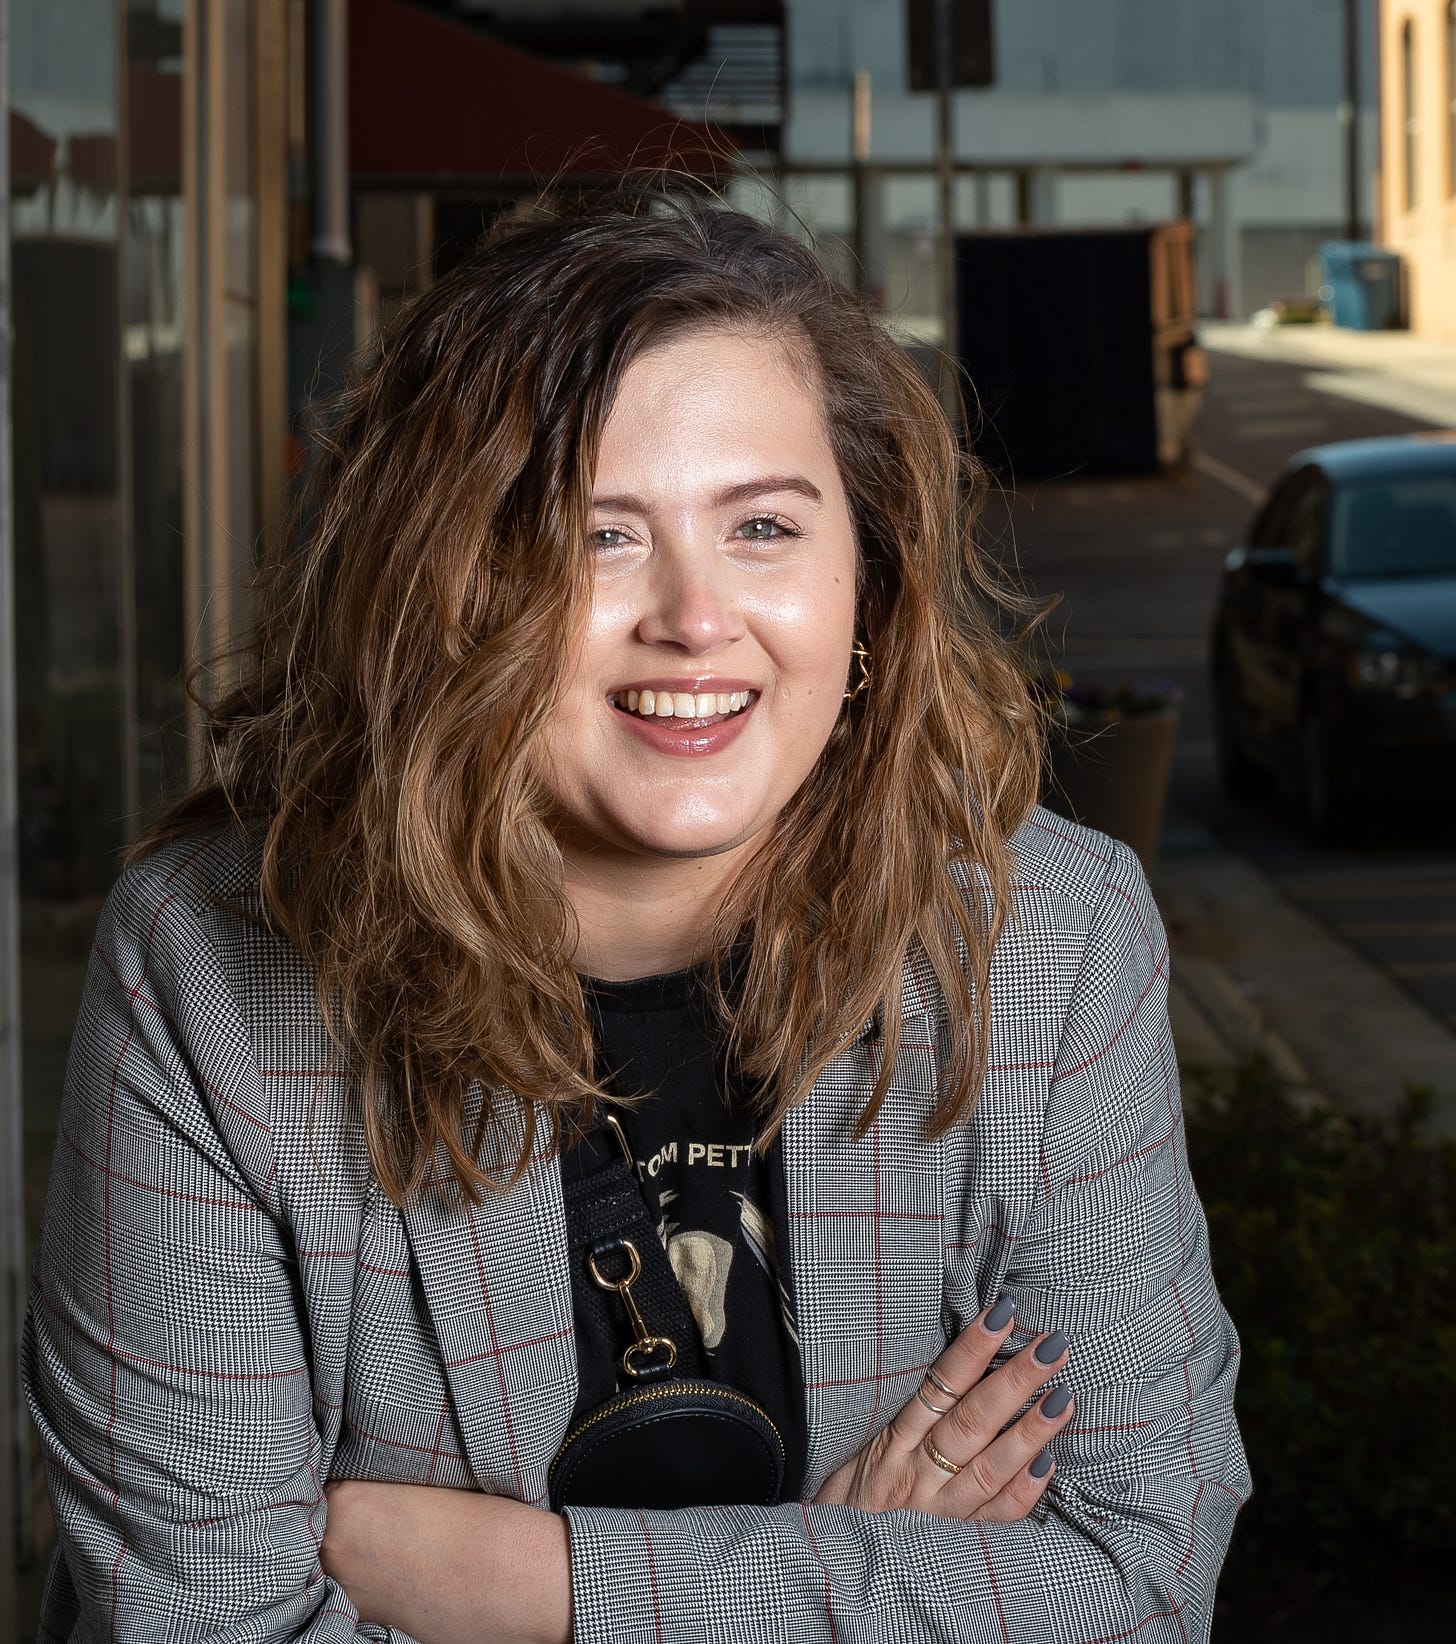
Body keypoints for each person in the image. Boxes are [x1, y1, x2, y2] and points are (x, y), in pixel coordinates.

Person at [23, 186, 1248, 1644]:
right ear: (445, 590)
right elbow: (210, 1626)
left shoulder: (1049, 936)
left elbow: (1136, 1584)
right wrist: (848, 1575)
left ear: (870, 584)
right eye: (597, 537)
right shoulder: (211, 971)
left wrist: (537, 1586)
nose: (694, 614)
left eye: (765, 528)